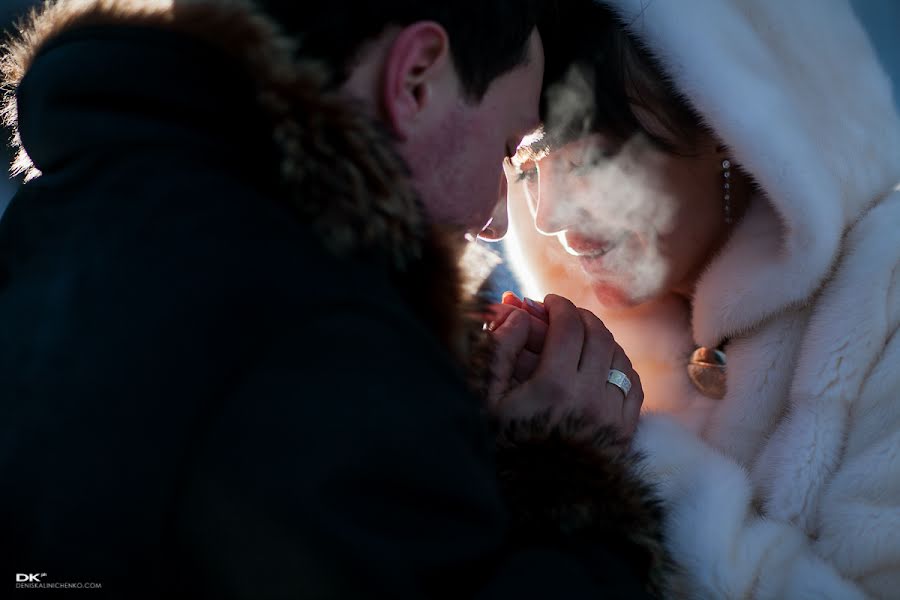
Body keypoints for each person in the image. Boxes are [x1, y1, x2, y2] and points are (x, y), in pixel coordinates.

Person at [0, 0, 672, 597]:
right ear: (415, 76)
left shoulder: (56, 225)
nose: (499, 219)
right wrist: (565, 477)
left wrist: (448, 444)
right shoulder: (318, 326)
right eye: (505, 150)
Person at [505, 0, 900, 597]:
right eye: (530, 166)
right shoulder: (561, 357)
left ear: (727, 126)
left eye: (593, 157)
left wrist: (626, 460)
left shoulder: (885, 300)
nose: (549, 215)